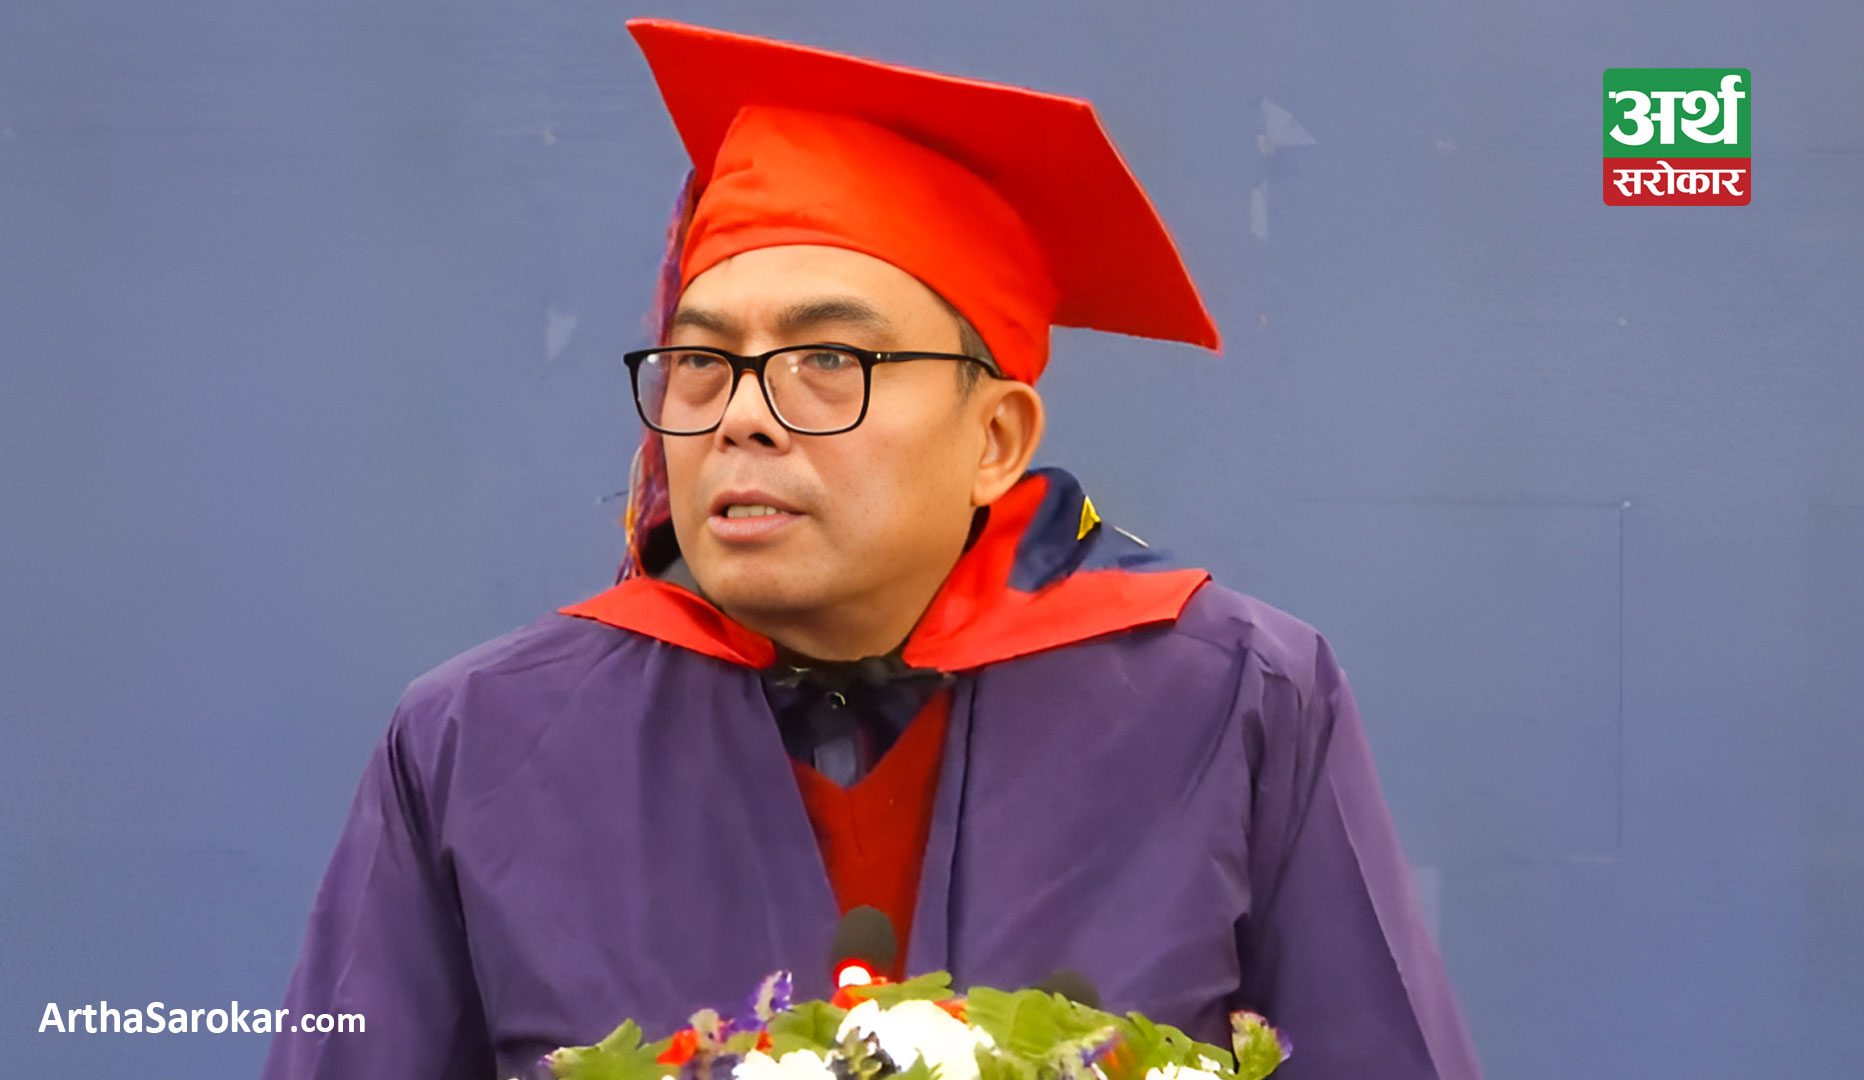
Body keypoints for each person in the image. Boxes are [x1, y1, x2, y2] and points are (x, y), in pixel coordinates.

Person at [262, 18, 1483, 1080]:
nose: (741, 416)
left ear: (996, 439)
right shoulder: (481, 745)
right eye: (702, 362)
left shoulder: (1236, 705)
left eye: (826, 360)